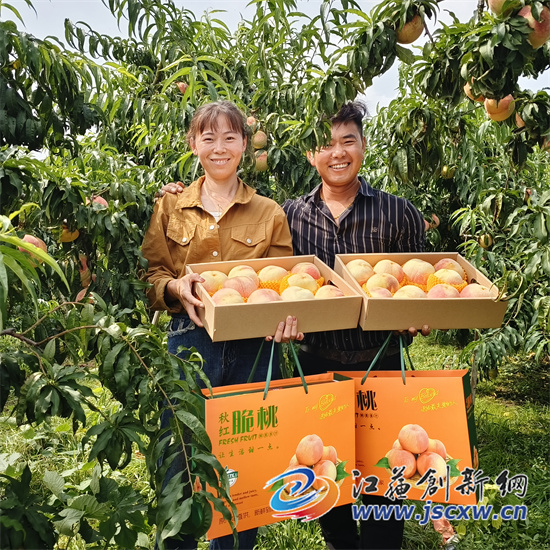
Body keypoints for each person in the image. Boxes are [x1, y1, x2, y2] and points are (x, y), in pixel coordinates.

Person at [159, 100, 430, 550]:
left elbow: (415, 282)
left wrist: (416, 315)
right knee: (328, 478)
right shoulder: (291, 214)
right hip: (315, 364)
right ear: (310, 154)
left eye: (348, 141)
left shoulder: (398, 212)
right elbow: (274, 279)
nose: (337, 153)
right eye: (326, 143)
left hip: (380, 363)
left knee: (385, 478)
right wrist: (178, 195)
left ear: (364, 145)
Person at [142, 100, 302, 550]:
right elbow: (152, 274)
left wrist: (285, 322)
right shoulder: (171, 205)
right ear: (193, 144)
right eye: (208, 137)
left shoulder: (269, 212)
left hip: (253, 348)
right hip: (189, 343)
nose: (219, 148)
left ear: (244, 145)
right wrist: (174, 287)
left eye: (230, 137)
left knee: (243, 462)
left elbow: (284, 284)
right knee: (181, 455)